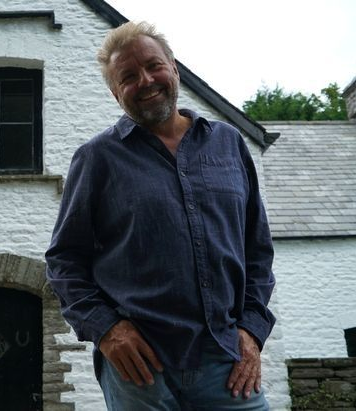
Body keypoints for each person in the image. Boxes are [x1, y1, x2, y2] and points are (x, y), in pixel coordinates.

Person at [45, 21, 276, 410]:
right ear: (115, 92)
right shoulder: (97, 159)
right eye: (129, 76)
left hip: (225, 359)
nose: (146, 80)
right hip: (139, 371)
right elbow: (64, 262)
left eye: (154, 66)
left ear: (174, 67)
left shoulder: (229, 144)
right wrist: (107, 331)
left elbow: (257, 252)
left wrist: (252, 332)